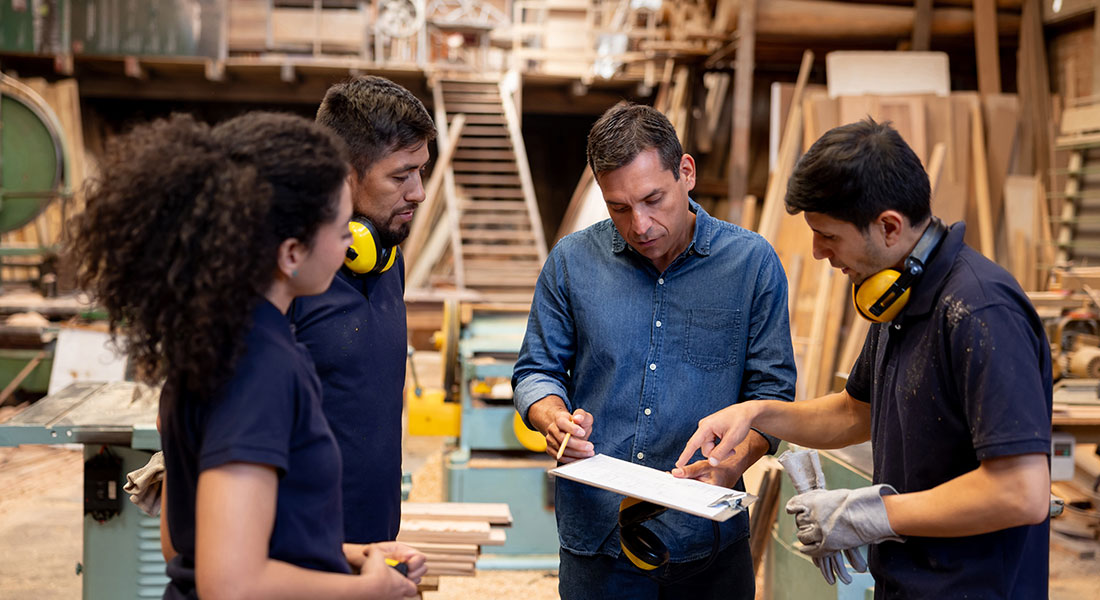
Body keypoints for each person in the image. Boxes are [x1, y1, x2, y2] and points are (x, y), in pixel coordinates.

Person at [676, 119, 1052, 598]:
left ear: (889, 226)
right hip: (909, 583)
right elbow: (856, 412)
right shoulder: (898, 295)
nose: (816, 252)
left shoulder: (979, 310)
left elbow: (1021, 492)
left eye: (828, 236)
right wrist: (756, 413)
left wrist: (871, 515)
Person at [68, 112, 426, 599]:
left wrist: (348, 555)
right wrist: (370, 591)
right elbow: (229, 584)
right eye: (342, 227)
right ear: (291, 252)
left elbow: (187, 546)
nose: (351, 243)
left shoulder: (220, 341)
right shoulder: (261, 370)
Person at [512, 103, 796, 599]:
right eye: (618, 207)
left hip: (705, 540)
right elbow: (536, 369)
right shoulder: (571, 262)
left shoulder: (750, 266)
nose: (639, 224)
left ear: (686, 172)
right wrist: (550, 417)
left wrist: (735, 462)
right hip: (598, 538)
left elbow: (773, 395)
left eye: (653, 199)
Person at [290, 76, 436, 544]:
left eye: (421, 171)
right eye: (400, 176)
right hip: (299, 563)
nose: (418, 192)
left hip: (374, 548)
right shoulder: (286, 278)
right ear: (343, 174)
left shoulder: (387, 258)